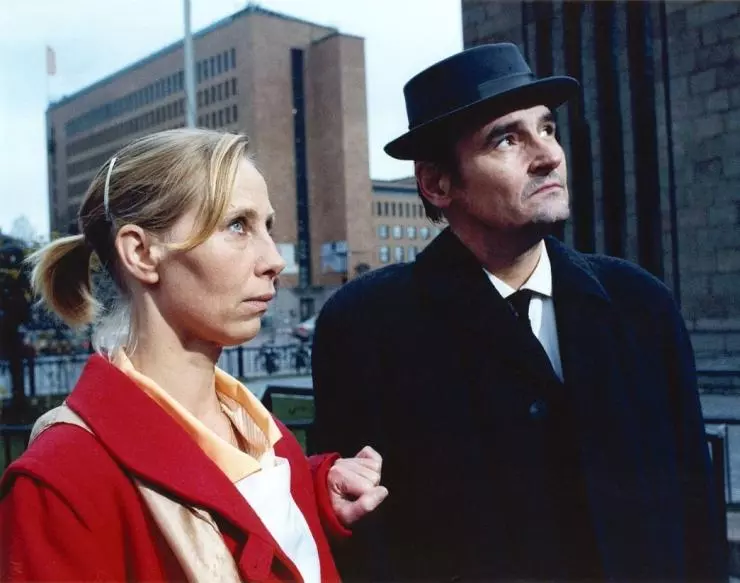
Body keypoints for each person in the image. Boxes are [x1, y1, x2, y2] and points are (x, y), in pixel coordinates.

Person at [311, 43, 724, 581]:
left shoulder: (640, 304)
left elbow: (695, 501)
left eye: (547, 128)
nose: (548, 155)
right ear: (437, 183)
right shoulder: (366, 327)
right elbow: (365, 541)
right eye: (507, 139)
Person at [0, 129, 387, 582]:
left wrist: (313, 491)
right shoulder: (60, 485)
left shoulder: (262, 431)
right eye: (237, 225)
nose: (274, 259)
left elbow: (235, 502)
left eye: (268, 227)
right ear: (142, 253)